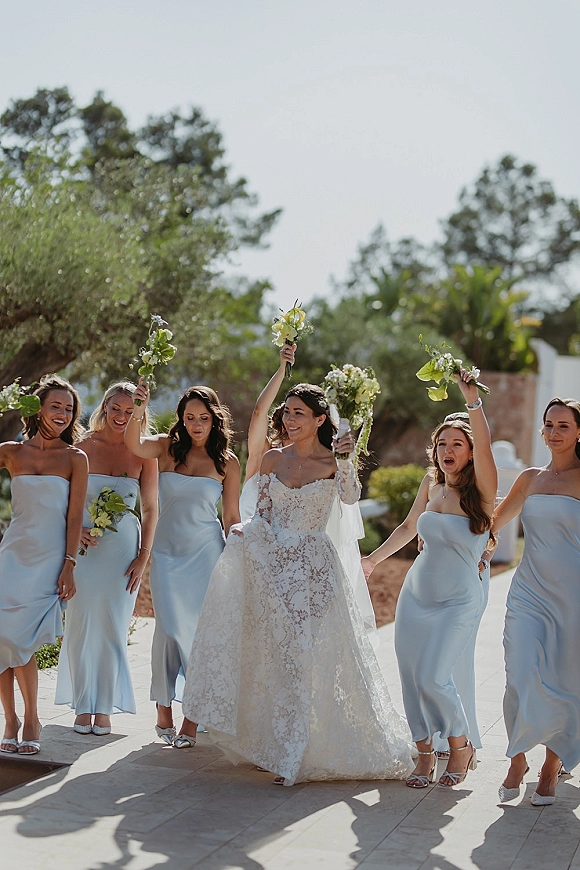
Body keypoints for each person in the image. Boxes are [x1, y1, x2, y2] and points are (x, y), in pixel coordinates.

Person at [182, 383, 413, 785]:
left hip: (314, 569)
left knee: (305, 657)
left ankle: (298, 750)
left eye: (298, 414)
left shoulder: (332, 460)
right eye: (286, 412)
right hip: (272, 565)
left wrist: (345, 460)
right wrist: (245, 532)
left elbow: (350, 497)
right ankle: (274, 744)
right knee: (274, 656)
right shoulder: (272, 459)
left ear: (320, 419)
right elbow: (264, 514)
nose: (289, 420)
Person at [362, 371, 497, 788]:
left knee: (435, 676)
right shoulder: (431, 483)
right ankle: (424, 753)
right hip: (417, 595)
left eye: (457, 443)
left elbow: (487, 448)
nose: (447, 450)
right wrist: (371, 560)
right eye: (441, 443)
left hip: (459, 599)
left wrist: (471, 400)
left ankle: (459, 744)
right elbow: (406, 528)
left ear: (471, 451)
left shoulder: (483, 489)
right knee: (410, 673)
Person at [125, 381, 240, 748]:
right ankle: (163, 706)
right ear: (181, 419)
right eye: (189, 417)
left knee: (199, 634)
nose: (196, 424)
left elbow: (231, 517)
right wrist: (139, 407)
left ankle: (190, 718)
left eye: (203, 418)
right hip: (165, 553)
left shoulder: (227, 462)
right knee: (169, 628)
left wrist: (242, 552)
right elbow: (133, 443)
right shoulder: (165, 448)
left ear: (214, 420)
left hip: (206, 554)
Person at [55, 382, 158, 735]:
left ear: (139, 413)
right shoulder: (81, 448)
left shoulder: (144, 454)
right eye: (116, 408)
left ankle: (105, 707)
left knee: (113, 626)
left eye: (130, 411)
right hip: (85, 551)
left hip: (123, 553)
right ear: (105, 406)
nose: (122, 416)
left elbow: (150, 508)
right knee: (82, 624)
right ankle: (83, 705)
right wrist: (72, 535)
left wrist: (144, 557)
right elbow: (64, 500)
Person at [493, 397, 580, 806]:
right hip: (528, 592)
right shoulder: (529, 478)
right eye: (549, 424)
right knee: (520, 672)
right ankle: (517, 759)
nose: (553, 432)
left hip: (573, 598)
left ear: (579, 431)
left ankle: (550, 766)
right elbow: (492, 522)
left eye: (563, 425)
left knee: (565, 680)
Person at [0, 374, 88, 755]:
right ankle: (10, 719)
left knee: (21, 639)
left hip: (50, 558)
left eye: (69, 409)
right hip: (12, 555)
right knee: (2, 638)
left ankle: (33, 717)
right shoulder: (10, 452)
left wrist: (69, 564)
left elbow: (74, 517)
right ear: (37, 408)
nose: (64, 415)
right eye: (56, 406)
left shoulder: (74, 458)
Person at [239, 343, 295, 522]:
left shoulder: (309, 465)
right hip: (246, 545)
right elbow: (259, 412)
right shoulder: (262, 456)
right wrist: (282, 368)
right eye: (288, 415)